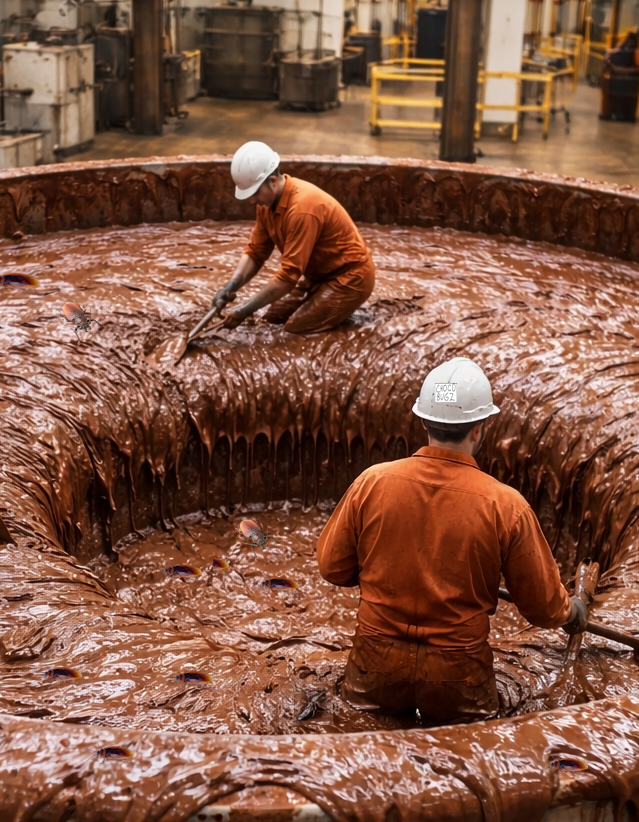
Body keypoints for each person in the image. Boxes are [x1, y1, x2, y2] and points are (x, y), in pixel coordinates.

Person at [316, 358, 589, 722]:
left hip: (374, 666)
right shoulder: (505, 505)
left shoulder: (372, 483)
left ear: (424, 421)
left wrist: (379, 569)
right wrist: (572, 611)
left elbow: (332, 567)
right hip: (458, 675)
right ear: (478, 429)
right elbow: (541, 606)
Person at [212, 141, 376, 335]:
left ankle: (341, 309)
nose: (252, 200)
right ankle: (324, 301)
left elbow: (288, 277)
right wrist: (230, 287)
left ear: (273, 180)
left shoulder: (302, 209)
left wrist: (244, 310)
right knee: (272, 318)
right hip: (317, 276)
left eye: (255, 192)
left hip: (349, 278)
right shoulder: (266, 204)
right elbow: (256, 252)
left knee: (295, 328)